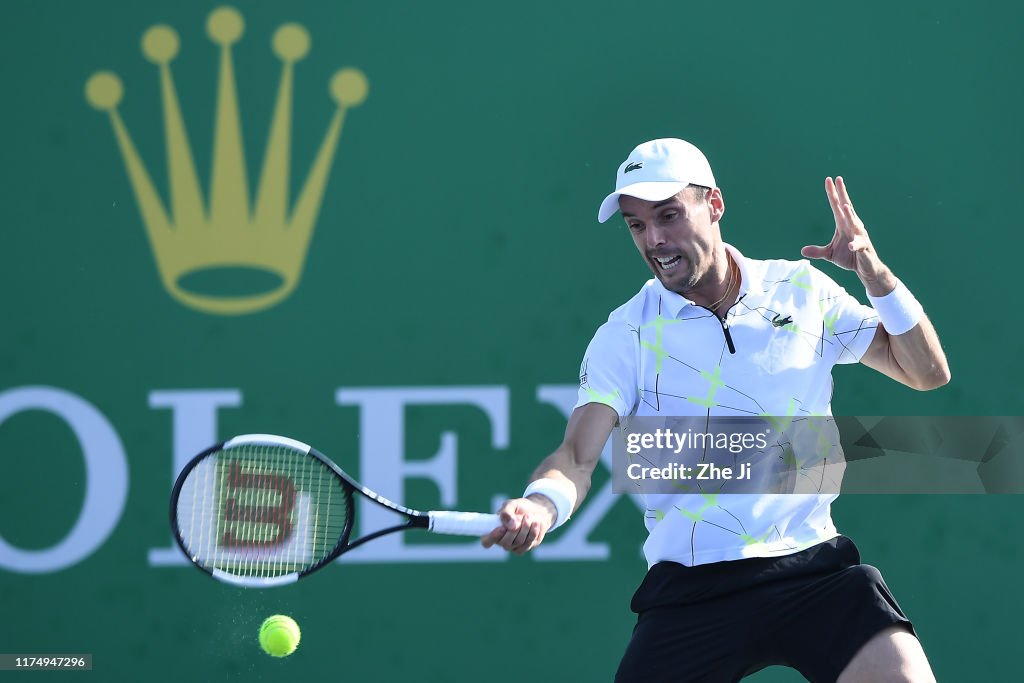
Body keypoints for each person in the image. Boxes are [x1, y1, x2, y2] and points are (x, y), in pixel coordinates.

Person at [482, 139, 950, 682]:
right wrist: (542, 504)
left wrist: (874, 273)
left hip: (812, 568)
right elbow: (577, 455)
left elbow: (925, 372)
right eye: (636, 225)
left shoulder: (801, 292)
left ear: (715, 205)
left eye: (669, 215)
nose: (655, 239)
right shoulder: (624, 334)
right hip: (693, 587)